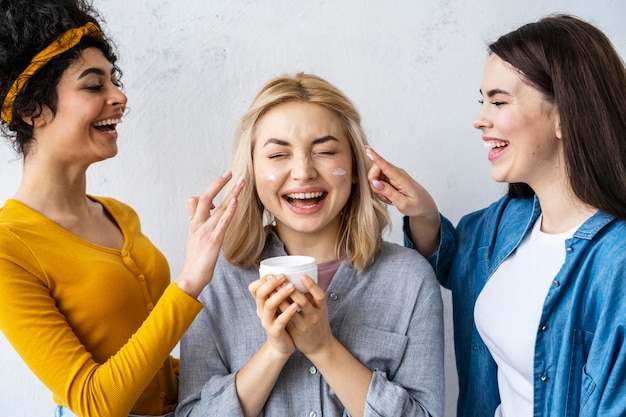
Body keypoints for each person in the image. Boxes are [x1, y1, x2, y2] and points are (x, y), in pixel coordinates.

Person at [366, 14, 626, 417]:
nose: (479, 119)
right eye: (482, 101)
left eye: (499, 101)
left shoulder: (616, 262)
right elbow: (454, 261)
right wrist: (422, 212)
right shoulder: (510, 221)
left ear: (565, 115)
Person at [0, 1, 244, 416]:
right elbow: (96, 402)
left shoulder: (119, 214)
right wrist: (189, 283)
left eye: (114, 81)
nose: (120, 96)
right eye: (94, 86)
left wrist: (245, 366)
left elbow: (148, 364)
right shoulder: (10, 246)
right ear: (31, 110)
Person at [176, 73, 444, 417]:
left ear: (353, 166)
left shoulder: (409, 280)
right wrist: (274, 351)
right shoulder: (215, 281)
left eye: (326, 151)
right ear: (252, 169)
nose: (303, 172)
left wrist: (324, 348)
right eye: (278, 155)